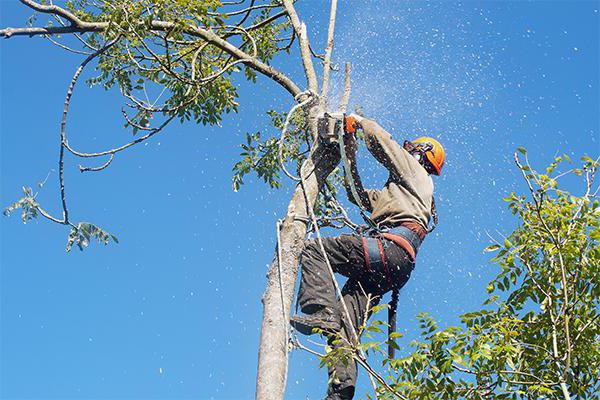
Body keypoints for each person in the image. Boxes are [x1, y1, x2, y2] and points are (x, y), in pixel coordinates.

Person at [290, 113, 445, 400]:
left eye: (411, 150)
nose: (406, 151)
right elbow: (357, 195)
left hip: (388, 250)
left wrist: (358, 123)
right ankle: (341, 392)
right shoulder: (401, 193)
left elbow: (383, 143)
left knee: (315, 250)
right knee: (347, 324)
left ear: (421, 154)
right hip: (392, 265)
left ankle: (319, 311)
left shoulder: (415, 171)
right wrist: (349, 154)